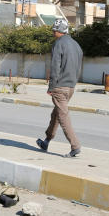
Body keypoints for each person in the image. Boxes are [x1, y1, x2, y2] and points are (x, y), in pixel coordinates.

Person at [36, 18, 83, 157]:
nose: (52, 32)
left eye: (54, 30)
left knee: (63, 116)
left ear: (59, 31)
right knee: (56, 113)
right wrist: (73, 83)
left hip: (60, 86)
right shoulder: (76, 45)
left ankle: (75, 146)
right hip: (70, 87)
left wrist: (51, 86)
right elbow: (79, 67)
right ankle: (47, 140)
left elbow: (55, 66)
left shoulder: (58, 44)